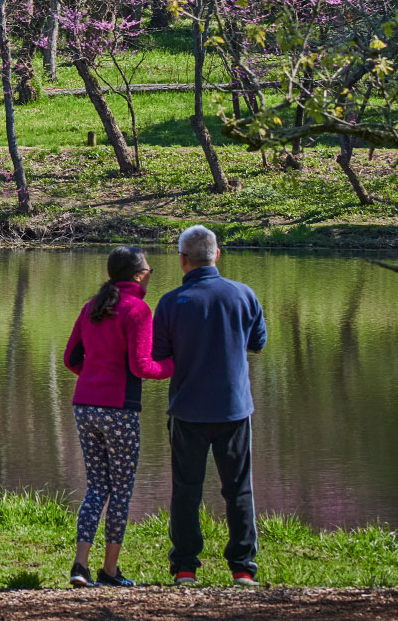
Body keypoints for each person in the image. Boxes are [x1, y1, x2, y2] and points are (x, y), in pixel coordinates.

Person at [153, 225, 267, 586]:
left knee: (186, 489)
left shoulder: (171, 302)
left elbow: (158, 355)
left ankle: (185, 566)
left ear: (182, 259)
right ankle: (243, 568)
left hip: (187, 410)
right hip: (234, 410)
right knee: (238, 488)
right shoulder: (243, 295)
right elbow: (258, 344)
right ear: (217, 255)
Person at [61, 245, 171, 587]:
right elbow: (142, 366)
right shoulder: (138, 310)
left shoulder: (91, 306)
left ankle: (80, 565)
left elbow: (70, 359)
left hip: (85, 406)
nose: (151, 273)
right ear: (138, 274)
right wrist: (175, 366)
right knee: (121, 491)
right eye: (149, 269)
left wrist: (94, 376)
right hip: (120, 410)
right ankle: (109, 571)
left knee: (96, 487)